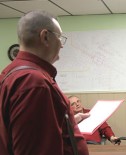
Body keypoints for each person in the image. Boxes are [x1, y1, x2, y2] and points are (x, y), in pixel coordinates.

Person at [0, 10, 88, 155]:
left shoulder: (10, 73)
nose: (61, 45)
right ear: (45, 36)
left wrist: (67, 121)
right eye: (60, 37)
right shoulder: (33, 83)